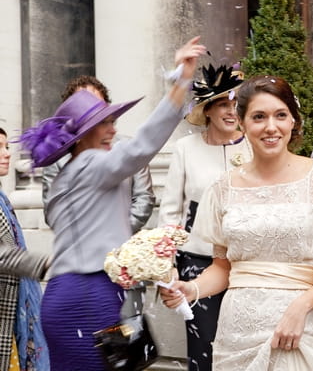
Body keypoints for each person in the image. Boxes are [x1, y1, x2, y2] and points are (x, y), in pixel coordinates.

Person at [15, 36, 206, 370]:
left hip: (70, 294)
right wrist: (180, 83)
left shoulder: (67, 175)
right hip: (89, 295)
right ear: (79, 136)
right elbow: (142, 146)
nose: (110, 130)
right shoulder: (91, 166)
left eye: (111, 121)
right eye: (101, 123)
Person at [160, 75, 313, 370]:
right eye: (258, 117)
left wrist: (301, 307)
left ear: (293, 120)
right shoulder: (222, 189)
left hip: (301, 330)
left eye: (280, 115)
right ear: (242, 123)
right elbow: (222, 268)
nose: (271, 127)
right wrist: (192, 290)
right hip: (237, 332)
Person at [158, 63, 251, 370]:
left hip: (246, 265)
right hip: (197, 263)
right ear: (208, 109)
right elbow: (170, 212)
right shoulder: (185, 149)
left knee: (245, 348)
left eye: (236, 103)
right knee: (204, 350)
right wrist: (166, 265)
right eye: (223, 103)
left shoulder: (255, 146)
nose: (230, 111)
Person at [42, 75, 156, 234]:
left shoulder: (128, 147)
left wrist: (117, 233)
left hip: (124, 247)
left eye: (98, 106)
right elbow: (53, 212)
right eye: (84, 105)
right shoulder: (57, 159)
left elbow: (144, 197)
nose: (93, 112)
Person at [0, 127, 50, 370]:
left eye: (6, 146)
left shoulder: (2, 198)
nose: (7, 154)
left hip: (10, 308)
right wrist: (46, 263)